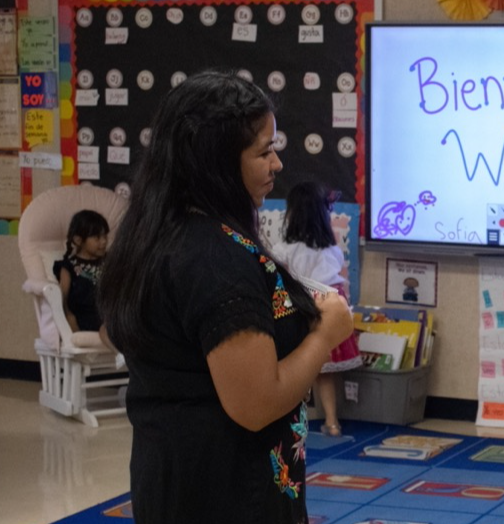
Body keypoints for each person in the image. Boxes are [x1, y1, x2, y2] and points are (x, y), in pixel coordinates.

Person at [98, 70, 354, 524]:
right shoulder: (214, 255)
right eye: (264, 152)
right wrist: (324, 336)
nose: (276, 165)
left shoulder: (154, 233)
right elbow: (256, 404)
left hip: (173, 477)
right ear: (215, 162)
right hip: (228, 492)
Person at [272, 181, 362, 438]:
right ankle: (332, 422)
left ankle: (295, 423)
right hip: (330, 309)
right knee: (323, 373)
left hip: (301, 310)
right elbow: (335, 282)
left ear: (293, 214)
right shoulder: (331, 248)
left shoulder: (284, 249)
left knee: (297, 368)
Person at [54, 209, 110, 340]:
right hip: (82, 323)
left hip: (109, 320)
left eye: (105, 236)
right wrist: (69, 319)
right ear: (78, 240)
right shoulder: (68, 267)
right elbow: (62, 301)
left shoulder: (110, 262)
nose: (103, 242)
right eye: (97, 237)